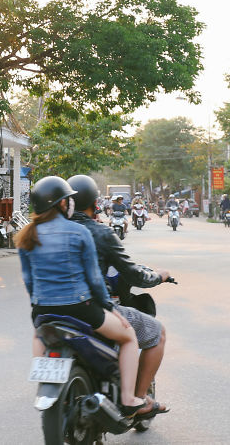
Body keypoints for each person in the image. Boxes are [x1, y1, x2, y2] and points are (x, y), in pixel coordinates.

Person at [17, 176, 147, 416]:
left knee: (39, 335)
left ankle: (46, 384)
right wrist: (111, 308)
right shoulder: (78, 231)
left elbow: (29, 280)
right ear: (62, 204)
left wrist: (40, 304)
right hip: (80, 308)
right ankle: (129, 398)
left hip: (42, 311)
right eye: (68, 200)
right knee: (129, 336)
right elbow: (95, 278)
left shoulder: (26, 234)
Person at [67, 175, 171, 418]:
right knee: (156, 332)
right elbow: (132, 274)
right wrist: (158, 276)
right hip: (90, 307)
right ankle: (138, 399)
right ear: (95, 204)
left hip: (48, 309)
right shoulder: (99, 233)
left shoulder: (48, 231)